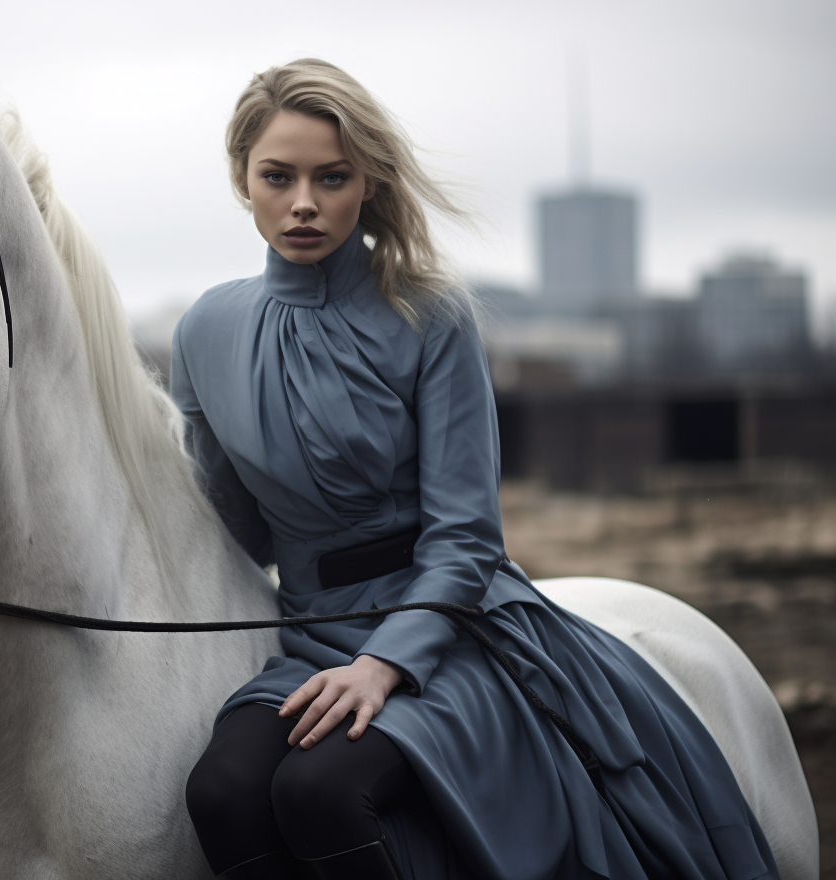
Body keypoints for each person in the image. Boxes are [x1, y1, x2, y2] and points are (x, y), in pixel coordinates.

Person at [171, 59, 777, 880]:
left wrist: (387, 663)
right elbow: (230, 527)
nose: (304, 202)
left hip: (447, 628)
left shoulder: (429, 312)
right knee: (221, 791)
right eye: (278, 176)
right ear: (244, 179)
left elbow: (465, 535)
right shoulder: (202, 330)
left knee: (320, 790)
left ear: (369, 184)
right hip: (309, 633)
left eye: (333, 177)